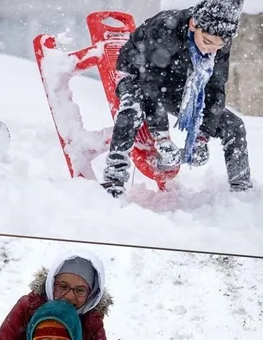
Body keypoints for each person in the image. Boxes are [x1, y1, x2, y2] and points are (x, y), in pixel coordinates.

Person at [101, 0, 252, 197]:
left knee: (234, 125)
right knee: (133, 109)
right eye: (207, 42)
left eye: (219, 45)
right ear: (193, 24)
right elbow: (150, 84)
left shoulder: (220, 37)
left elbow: (215, 88)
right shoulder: (165, 27)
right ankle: (113, 179)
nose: (211, 51)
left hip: (176, 84)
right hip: (138, 74)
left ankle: (242, 192)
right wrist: (162, 138)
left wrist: (201, 136)